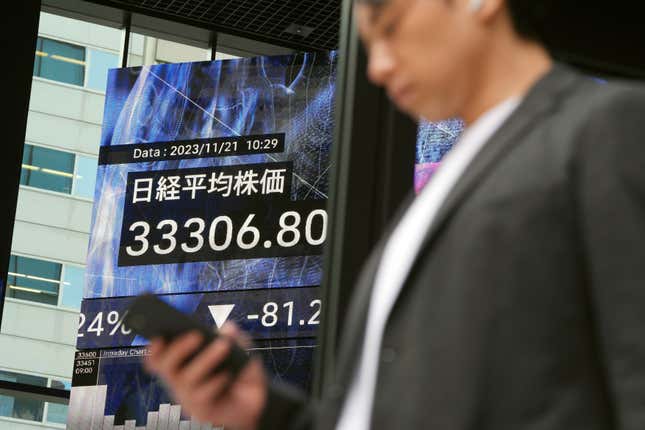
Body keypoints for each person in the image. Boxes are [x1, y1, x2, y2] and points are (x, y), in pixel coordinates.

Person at [145, 0, 645, 428]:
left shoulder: (605, 131)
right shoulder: (424, 208)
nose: (377, 66)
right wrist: (266, 412)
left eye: (390, 28)